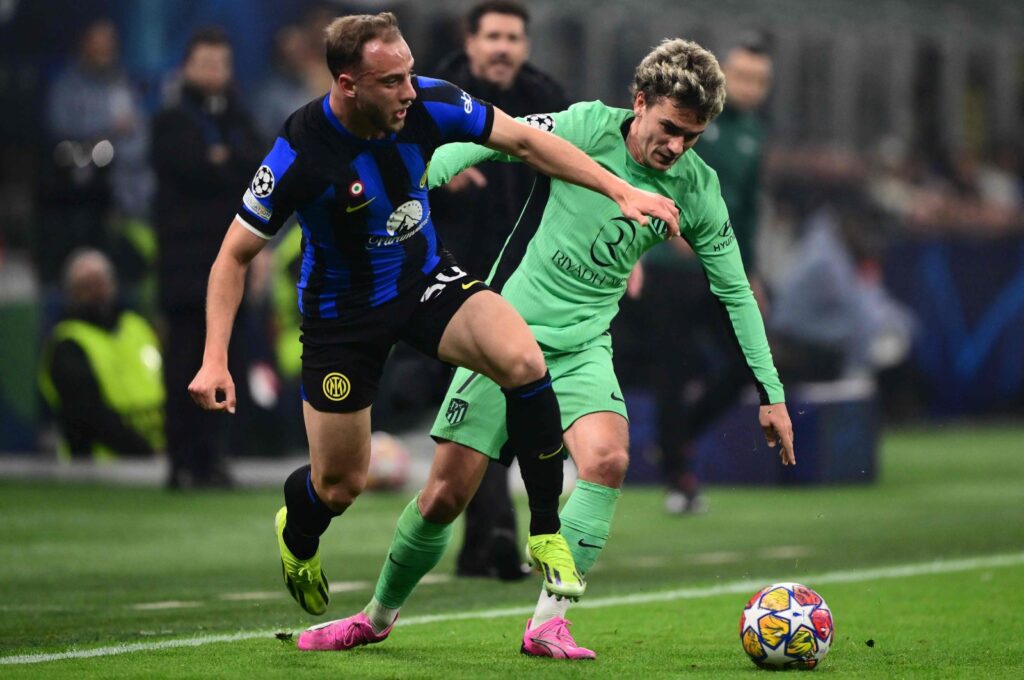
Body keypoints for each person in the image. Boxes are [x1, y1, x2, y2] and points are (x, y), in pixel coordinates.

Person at [307, 38, 795, 659]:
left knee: (608, 461)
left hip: (584, 346)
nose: (676, 148)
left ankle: (548, 624)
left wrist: (771, 394)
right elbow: (485, 136)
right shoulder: (586, 125)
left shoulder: (698, 188)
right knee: (444, 497)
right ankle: (376, 616)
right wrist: (425, 177)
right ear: (638, 102)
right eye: (670, 129)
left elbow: (737, 293)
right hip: (504, 338)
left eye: (692, 137)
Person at [186, 12, 678, 626]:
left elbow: (527, 141)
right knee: (340, 484)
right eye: (392, 81)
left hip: (425, 283)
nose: (409, 91)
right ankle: (300, 531)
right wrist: (213, 358)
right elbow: (233, 255)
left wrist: (619, 190)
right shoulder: (300, 150)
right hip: (344, 319)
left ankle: (546, 531)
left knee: (523, 360)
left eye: (411, 73)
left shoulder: (430, 103)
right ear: (347, 84)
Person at [432, 0, 569, 582]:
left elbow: (575, 169)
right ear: (471, 40)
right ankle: (500, 532)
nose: (503, 47)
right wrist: (438, 167)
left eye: (513, 37)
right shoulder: (435, 93)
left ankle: (477, 542)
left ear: (525, 44)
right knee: (486, 404)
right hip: (448, 276)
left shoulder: (549, 95)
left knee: (505, 407)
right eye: (492, 36)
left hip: (527, 277)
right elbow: (393, 161)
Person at [640, 35, 775, 514]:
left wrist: (753, 272)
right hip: (671, 265)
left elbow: (750, 211)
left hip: (725, 266)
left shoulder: (754, 134)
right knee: (671, 372)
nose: (750, 87)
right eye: (741, 76)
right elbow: (650, 169)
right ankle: (680, 478)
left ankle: (677, 440)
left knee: (746, 364)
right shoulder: (691, 119)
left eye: (759, 80)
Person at [152, 27, 265, 489]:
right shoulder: (171, 120)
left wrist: (222, 160)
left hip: (231, 260)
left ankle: (214, 456)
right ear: (187, 67)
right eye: (206, 63)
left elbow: (258, 169)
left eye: (221, 63)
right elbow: (188, 168)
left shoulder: (240, 118)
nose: (215, 72)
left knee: (228, 358)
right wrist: (221, 164)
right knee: (183, 359)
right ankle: (180, 460)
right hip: (184, 264)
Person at [40, 18, 151, 285]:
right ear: (84, 45)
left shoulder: (122, 85)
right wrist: (109, 129)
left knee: (130, 270)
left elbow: (140, 135)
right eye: (97, 43)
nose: (104, 49)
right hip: (82, 203)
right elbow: (59, 131)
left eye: (109, 43)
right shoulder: (68, 87)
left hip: (129, 200)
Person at [38, 249, 164, 460]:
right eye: (86, 285)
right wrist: (148, 453)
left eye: (101, 282)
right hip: (98, 468)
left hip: (158, 456)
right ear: (71, 293)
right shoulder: (68, 343)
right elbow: (89, 416)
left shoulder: (137, 326)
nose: (96, 292)